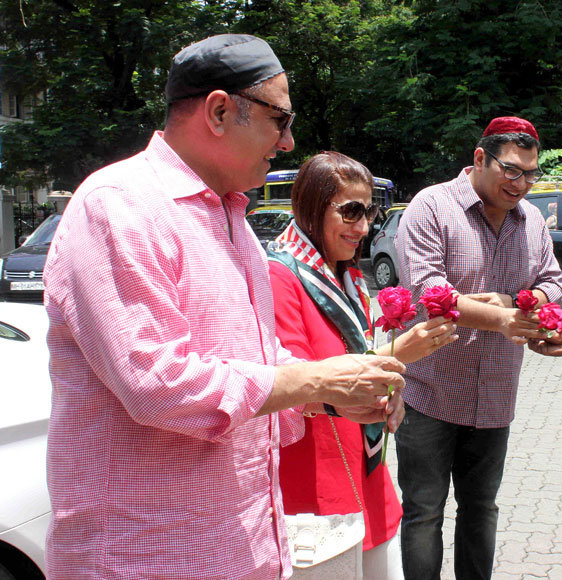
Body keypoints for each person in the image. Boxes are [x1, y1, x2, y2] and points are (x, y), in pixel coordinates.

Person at [42, 34, 405, 580]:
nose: (288, 142)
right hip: (147, 558)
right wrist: (315, 381)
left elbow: (258, 362)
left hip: (242, 549)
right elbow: (157, 383)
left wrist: (334, 393)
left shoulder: (232, 218)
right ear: (218, 111)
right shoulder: (119, 206)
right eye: (279, 120)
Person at [268, 151, 458, 579]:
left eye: (370, 212)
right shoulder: (280, 276)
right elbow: (292, 381)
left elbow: (360, 357)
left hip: (365, 468)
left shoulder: (352, 278)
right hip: (314, 476)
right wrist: (397, 353)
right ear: (312, 208)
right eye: (351, 211)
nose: (364, 227)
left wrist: (392, 392)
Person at [394, 116, 562, 579]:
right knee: (424, 511)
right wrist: (503, 320)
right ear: (478, 158)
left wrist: (516, 302)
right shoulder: (432, 206)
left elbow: (553, 283)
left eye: (530, 174)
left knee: (481, 508)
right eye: (511, 170)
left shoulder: (531, 221)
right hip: (429, 394)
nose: (521, 184)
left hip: (495, 397)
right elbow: (428, 291)